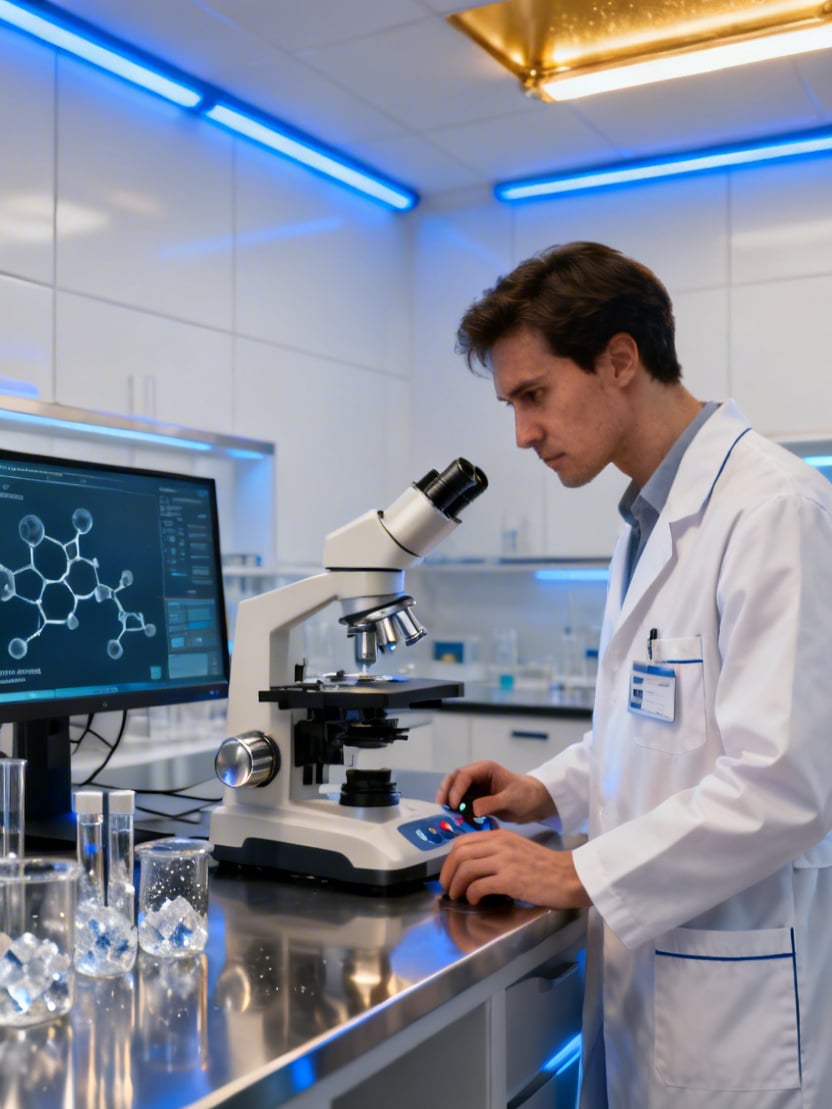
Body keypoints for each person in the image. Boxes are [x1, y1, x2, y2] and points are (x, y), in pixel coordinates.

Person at [436, 241, 832, 1107]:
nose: (522, 433)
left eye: (534, 395)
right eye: (512, 404)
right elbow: (658, 724)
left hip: (737, 1010)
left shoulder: (773, 510)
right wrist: (546, 789)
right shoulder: (643, 517)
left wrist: (575, 873)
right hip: (651, 980)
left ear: (620, 359)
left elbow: (784, 784)